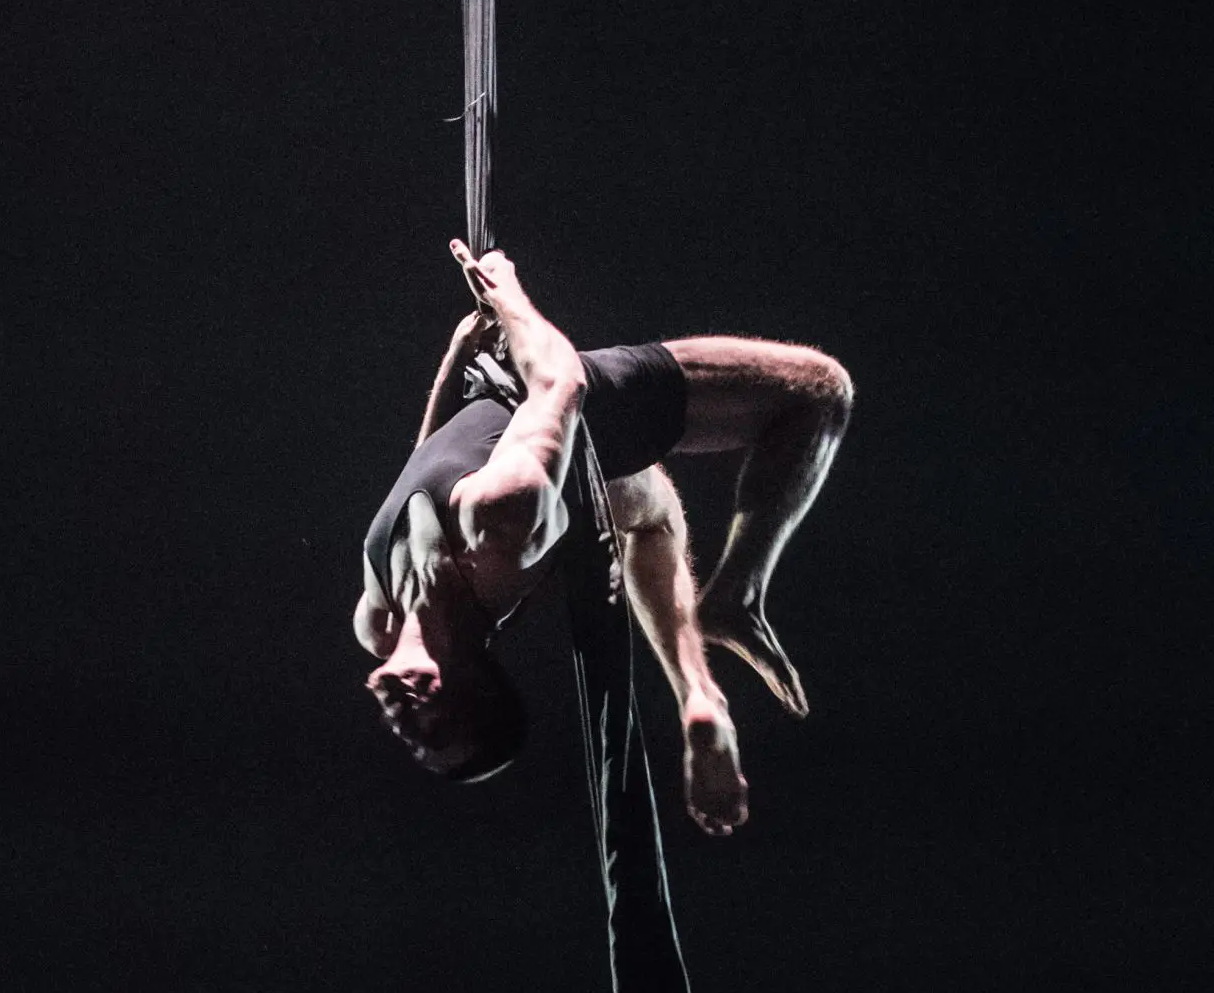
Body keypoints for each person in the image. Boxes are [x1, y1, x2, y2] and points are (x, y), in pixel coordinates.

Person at [356, 241, 852, 835]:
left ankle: (699, 688)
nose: (406, 731)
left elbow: (423, 467)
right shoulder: (499, 522)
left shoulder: (377, 621)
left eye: (416, 746)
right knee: (820, 393)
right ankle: (736, 597)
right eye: (436, 729)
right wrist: (504, 290)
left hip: (523, 447)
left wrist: (458, 350)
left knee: (653, 511)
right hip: (568, 412)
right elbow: (562, 379)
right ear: (472, 682)